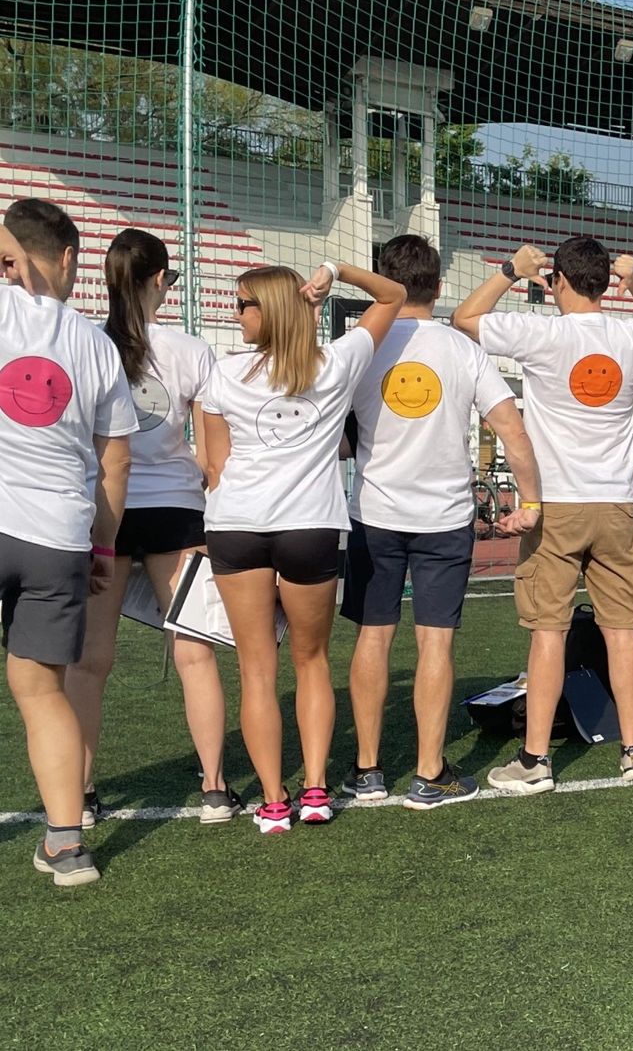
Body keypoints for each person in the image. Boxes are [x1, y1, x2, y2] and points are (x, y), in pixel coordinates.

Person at [202, 258, 405, 834]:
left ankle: (273, 801)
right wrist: (336, 270)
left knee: (256, 669)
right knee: (311, 662)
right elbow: (393, 296)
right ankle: (315, 790)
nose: (234, 312)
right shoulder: (336, 363)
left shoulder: (224, 375)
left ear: (270, 311)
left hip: (236, 526)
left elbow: (216, 465)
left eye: (243, 303)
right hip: (310, 527)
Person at [340, 235, 542, 809]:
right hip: (444, 519)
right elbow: (513, 432)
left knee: (372, 637)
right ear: (436, 284)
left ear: (387, 280)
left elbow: (332, 431)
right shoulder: (461, 350)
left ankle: (368, 771)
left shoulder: (362, 345)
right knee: (436, 644)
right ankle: (430, 774)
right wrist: (529, 503)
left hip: (374, 514)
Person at [454, 236, 633, 793]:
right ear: (601, 281)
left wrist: (511, 270)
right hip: (617, 502)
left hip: (556, 505)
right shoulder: (632, 334)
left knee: (549, 632)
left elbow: (465, 318)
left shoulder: (542, 331)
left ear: (559, 281)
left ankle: (536, 761)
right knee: (623, 631)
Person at [67, 228, 236, 827]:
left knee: (90, 661)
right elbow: (217, 457)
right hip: (176, 511)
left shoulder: (83, 341)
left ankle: (79, 797)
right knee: (194, 654)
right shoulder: (191, 350)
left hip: (102, 512)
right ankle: (215, 788)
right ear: (162, 281)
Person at [0, 200, 136, 885]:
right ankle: (66, 844)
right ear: (71, 261)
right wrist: (103, 549)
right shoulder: (96, 345)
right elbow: (116, 463)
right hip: (59, 536)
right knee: (40, 688)